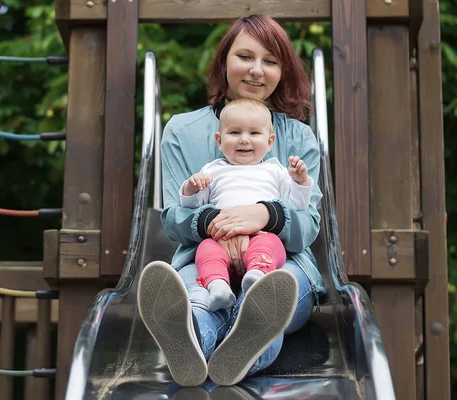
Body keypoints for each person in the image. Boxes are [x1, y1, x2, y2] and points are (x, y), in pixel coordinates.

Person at [137, 14, 326, 388]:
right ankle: (195, 340)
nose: (257, 71)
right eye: (245, 57)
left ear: (281, 71)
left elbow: (308, 227)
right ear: (224, 61)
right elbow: (173, 218)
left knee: (272, 296)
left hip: (283, 262)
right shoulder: (183, 130)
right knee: (198, 298)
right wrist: (216, 223)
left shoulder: (298, 138)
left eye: (270, 61)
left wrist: (266, 215)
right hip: (206, 254)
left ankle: (237, 347)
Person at [180, 98, 313, 312]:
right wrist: (191, 188)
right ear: (219, 140)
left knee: (273, 244)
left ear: (270, 142)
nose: (244, 140)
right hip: (221, 241)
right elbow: (194, 206)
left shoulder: (275, 171)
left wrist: (300, 181)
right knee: (204, 250)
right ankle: (218, 286)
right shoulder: (212, 170)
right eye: (234, 133)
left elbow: (296, 205)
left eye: (254, 133)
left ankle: (257, 276)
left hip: (260, 238)